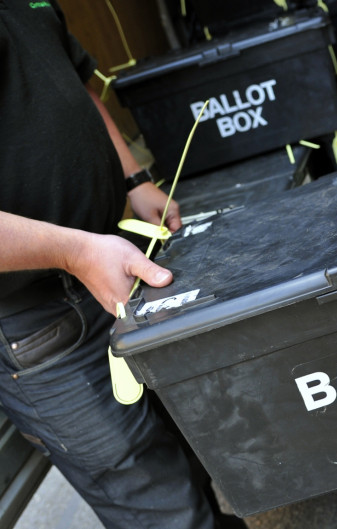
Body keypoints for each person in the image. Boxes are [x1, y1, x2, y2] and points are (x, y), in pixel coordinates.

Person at [0, 1, 245, 527]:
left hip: (113, 257)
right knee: (159, 505)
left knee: (194, 446)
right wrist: (76, 250)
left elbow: (71, 76)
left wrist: (134, 178)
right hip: (36, 322)